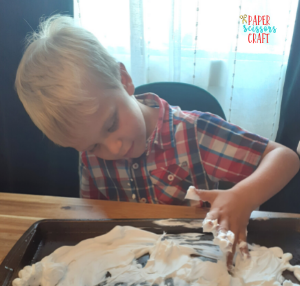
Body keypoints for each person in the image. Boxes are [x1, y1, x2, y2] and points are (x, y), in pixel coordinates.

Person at [15, 15, 300, 264]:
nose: (113, 147)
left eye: (112, 123)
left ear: (124, 79)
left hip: (203, 263)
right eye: (93, 146)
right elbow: (96, 221)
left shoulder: (194, 133)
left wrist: (243, 195)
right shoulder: (91, 155)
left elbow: (284, 158)